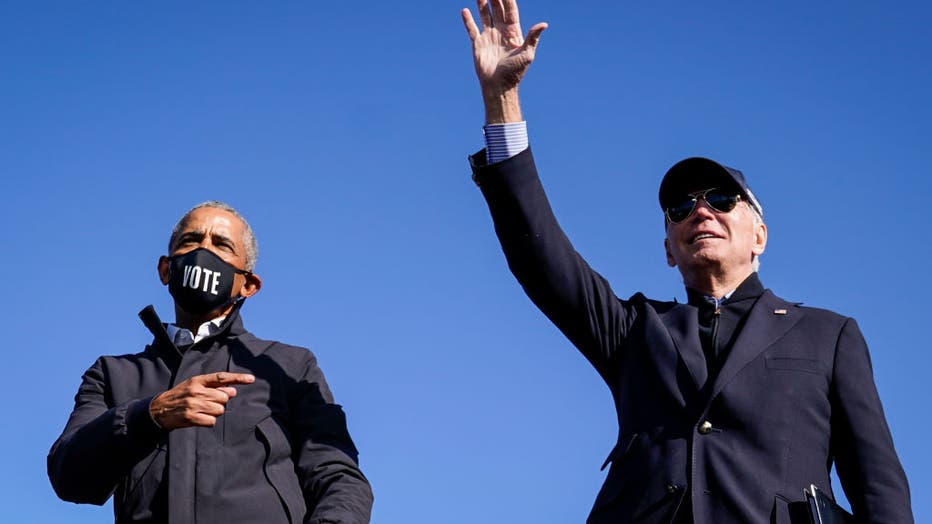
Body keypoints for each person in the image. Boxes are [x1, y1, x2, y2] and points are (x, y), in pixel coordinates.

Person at [460, 1, 912, 523]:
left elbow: (878, 487)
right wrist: (502, 100)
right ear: (668, 250)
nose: (700, 211)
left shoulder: (828, 336)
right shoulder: (635, 331)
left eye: (721, 199)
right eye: (681, 207)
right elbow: (539, 257)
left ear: (760, 235)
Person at [48, 201, 373, 524]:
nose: (203, 250)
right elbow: (69, 477)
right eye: (191, 240)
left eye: (222, 245)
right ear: (165, 270)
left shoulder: (290, 366)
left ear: (248, 284)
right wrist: (150, 415)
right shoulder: (112, 374)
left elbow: (339, 479)